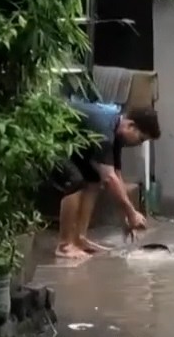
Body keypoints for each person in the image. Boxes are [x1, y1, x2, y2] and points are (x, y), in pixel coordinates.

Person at [52, 100, 161, 260]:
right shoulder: (105, 133)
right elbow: (109, 178)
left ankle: (80, 238)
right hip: (51, 141)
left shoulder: (117, 135)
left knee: (94, 180)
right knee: (75, 182)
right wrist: (131, 213)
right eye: (141, 139)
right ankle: (64, 246)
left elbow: (116, 175)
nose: (139, 144)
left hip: (72, 144)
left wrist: (125, 218)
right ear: (130, 126)